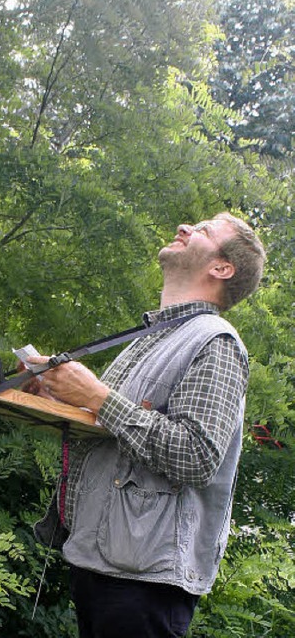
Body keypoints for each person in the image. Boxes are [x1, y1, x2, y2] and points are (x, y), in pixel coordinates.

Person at [27, 213, 266, 638]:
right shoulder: (149, 340)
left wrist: (98, 397)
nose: (187, 227)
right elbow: (113, 434)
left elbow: (196, 456)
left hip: (145, 580)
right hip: (99, 558)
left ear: (222, 268)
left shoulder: (216, 342)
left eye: (205, 230)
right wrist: (48, 396)